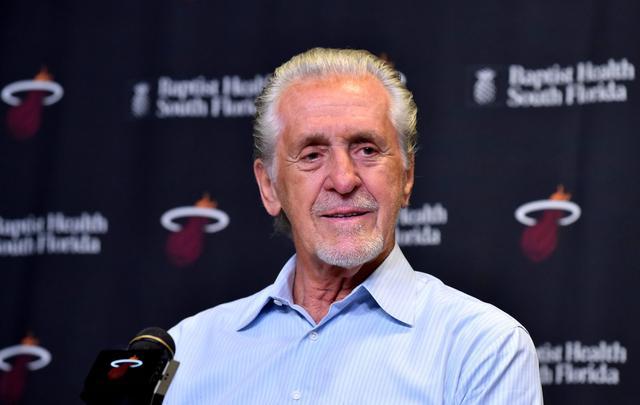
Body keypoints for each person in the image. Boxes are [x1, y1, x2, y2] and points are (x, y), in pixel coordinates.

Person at [165, 48, 543, 404]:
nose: (344, 180)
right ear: (269, 187)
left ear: (407, 176)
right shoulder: (187, 353)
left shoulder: (483, 349)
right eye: (312, 155)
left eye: (367, 150)